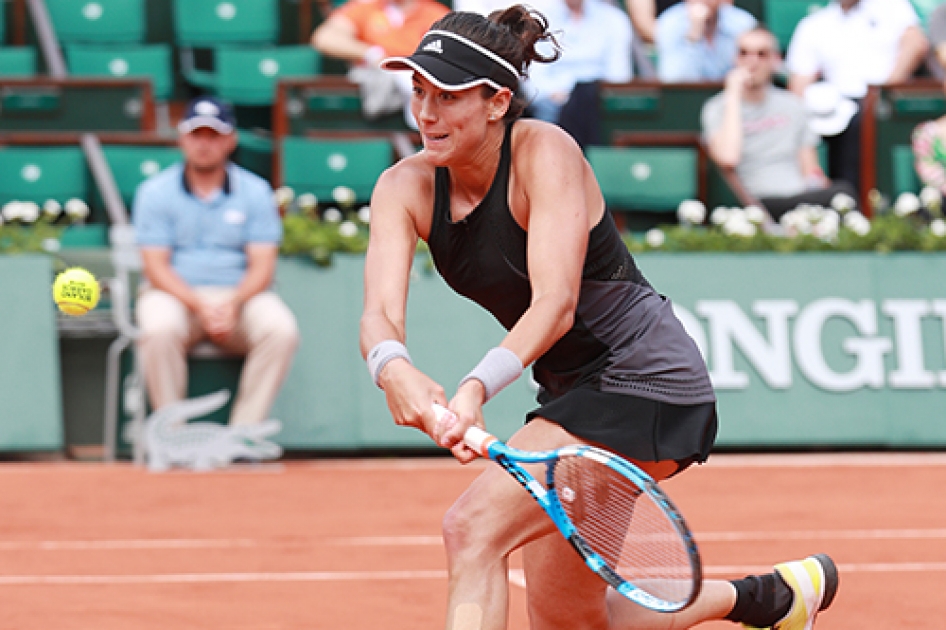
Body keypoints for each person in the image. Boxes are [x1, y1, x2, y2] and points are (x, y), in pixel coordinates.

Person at [361, 7, 839, 629]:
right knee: (572, 620)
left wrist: (475, 386)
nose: (427, 112)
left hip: (646, 382)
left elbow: (555, 305)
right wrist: (392, 367)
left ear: (497, 101)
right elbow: (378, 315)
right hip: (569, 396)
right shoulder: (403, 188)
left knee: (471, 529)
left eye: (449, 95)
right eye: (420, 89)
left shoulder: (545, 151)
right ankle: (766, 597)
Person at [133, 96, 300, 429]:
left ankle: (245, 434)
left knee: (281, 330)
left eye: (214, 135)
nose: (204, 144)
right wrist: (200, 305)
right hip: (176, 296)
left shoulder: (255, 191)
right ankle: (171, 434)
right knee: (158, 328)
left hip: (240, 297)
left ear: (231, 140)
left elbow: (263, 265)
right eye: (197, 135)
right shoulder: (154, 192)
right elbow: (156, 267)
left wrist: (232, 303)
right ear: (182, 138)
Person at [702, 26, 858, 221]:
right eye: (744, 53)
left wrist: (818, 186)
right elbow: (728, 158)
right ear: (734, 59)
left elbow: (810, 168)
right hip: (756, 203)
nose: (752, 61)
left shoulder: (793, 105)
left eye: (761, 54)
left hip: (801, 198)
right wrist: (733, 93)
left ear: (775, 61)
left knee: (843, 193)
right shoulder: (717, 107)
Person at [785, 0, 929, 194]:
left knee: (859, 123)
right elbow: (799, 84)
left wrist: (884, 90)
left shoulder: (892, 5)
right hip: (834, 108)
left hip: (884, 103)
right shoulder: (813, 25)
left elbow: (916, 43)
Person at [310, 0, 449, 124]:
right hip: (376, 86)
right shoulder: (365, 8)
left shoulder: (436, 13)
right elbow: (324, 38)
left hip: (418, 80)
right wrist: (371, 53)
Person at [526, 0, 633, 128]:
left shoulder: (615, 19)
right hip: (553, 104)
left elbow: (618, 75)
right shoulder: (538, 19)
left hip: (598, 103)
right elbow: (533, 76)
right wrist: (555, 95)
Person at [655, 0, 756, 82]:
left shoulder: (743, 22)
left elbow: (753, 73)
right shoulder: (669, 23)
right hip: (689, 99)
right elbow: (673, 81)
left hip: (734, 96)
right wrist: (694, 35)